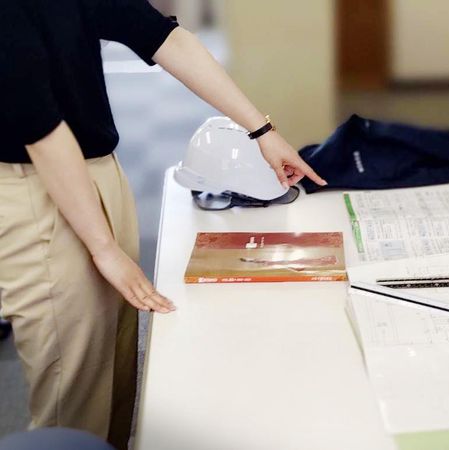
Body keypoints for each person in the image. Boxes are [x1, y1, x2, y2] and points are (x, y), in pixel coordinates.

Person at [0, 1, 326, 448]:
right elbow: (39, 127)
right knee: (73, 395)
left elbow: (161, 36)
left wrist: (262, 132)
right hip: (38, 182)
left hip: (98, 169)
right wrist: (103, 248)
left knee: (116, 376)